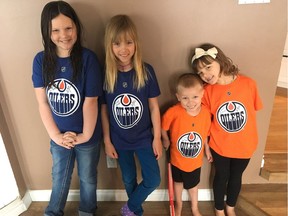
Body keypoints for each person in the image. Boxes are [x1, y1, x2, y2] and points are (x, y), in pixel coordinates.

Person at [32, 1, 102, 215]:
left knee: (88, 177)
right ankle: (53, 211)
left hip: (87, 135)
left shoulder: (89, 59)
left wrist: (84, 135)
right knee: (59, 176)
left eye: (68, 28)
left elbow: (91, 101)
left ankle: (87, 210)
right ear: (47, 32)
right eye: (55, 30)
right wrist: (55, 135)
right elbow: (42, 101)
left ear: (76, 27)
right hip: (58, 135)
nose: (63, 35)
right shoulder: (41, 60)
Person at [191, 43, 263, 216]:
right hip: (220, 145)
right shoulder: (206, 92)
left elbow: (253, 111)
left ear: (220, 60)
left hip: (245, 144)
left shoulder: (248, 84)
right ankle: (219, 209)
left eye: (208, 67)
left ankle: (230, 207)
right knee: (221, 176)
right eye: (200, 72)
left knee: (236, 177)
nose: (205, 75)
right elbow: (205, 121)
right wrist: (206, 145)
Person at [101, 14, 162, 216]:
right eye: (117, 43)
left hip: (144, 138)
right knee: (128, 179)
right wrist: (107, 141)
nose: (123, 48)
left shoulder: (146, 72)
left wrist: (157, 138)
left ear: (136, 43)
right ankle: (136, 212)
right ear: (109, 46)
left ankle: (130, 207)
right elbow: (104, 111)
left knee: (153, 179)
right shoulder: (106, 75)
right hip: (120, 140)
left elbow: (154, 108)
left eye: (129, 42)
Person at [161, 73, 213, 216]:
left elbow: (204, 134)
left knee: (193, 186)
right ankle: (179, 204)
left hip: (194, 162)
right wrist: (165, 139)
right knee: (177, 183)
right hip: (176, 159)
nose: (190, 102)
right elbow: (163, 127)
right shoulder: (173, 112)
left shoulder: (206, 113)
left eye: (195, 97)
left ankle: (195, 207)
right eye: (185, 98)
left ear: (202, 94)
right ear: (178, 97)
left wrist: (207, 149)